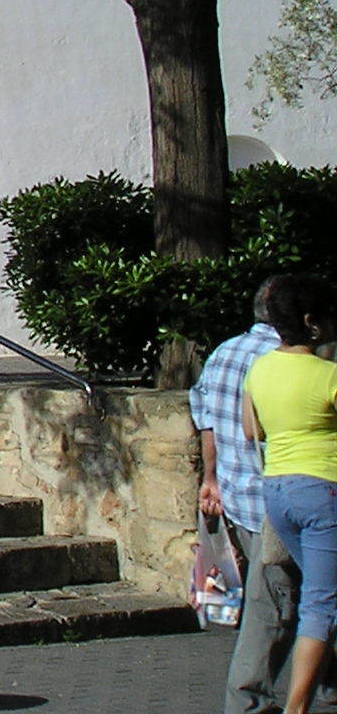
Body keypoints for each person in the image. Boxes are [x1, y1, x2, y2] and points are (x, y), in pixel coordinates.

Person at [244, 272, 337, 714]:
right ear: (311, 323)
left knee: (325, 592)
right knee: (321, 604)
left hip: (277, 492)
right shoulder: (328, 375)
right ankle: (296, 708)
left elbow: (251, 428)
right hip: (325, 491)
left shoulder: (259, 367)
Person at [195, 283, 288, 714]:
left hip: (240, 498)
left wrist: (210, 478)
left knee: (281, 597)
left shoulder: (225, 352)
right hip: (277, 500)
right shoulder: (289, 360)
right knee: (273, 606)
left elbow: (207, 421)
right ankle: (247, 701)